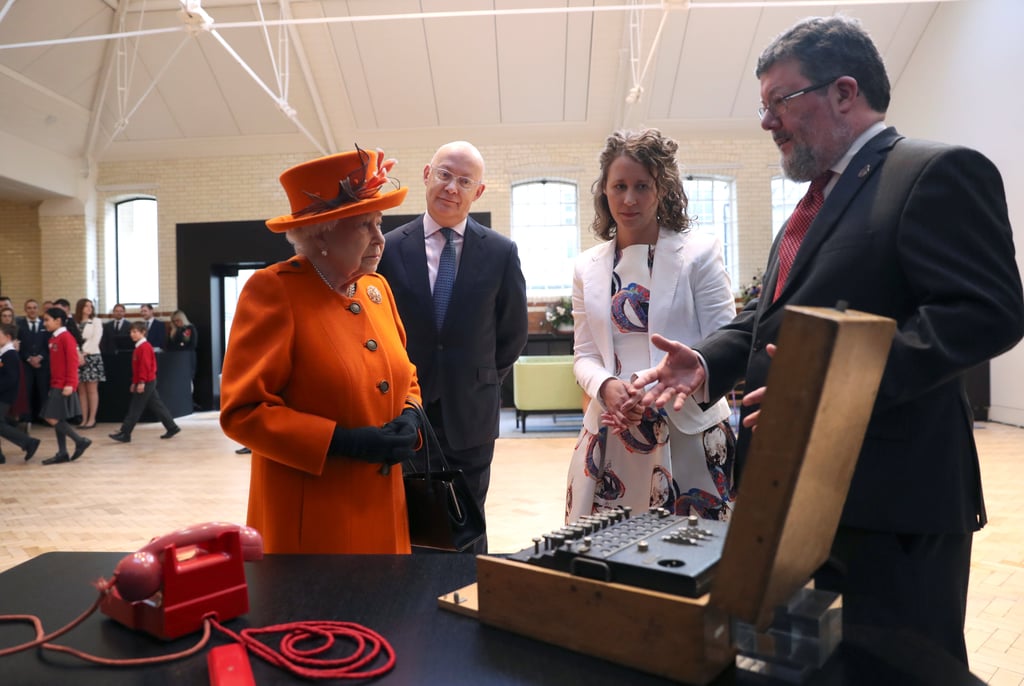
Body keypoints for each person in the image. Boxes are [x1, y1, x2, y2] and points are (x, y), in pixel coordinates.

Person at [631, 15, 1024, 663]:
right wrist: (707, 360)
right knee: (819, 666)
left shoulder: (934, 172)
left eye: (779, 102)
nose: (766, 123)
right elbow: (771, 314)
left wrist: (832, 386)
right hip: (799, 498)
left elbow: (988, 311)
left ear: (844, 92)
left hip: (891, 503)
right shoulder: (818, 200)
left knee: (901, 672)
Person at [220, 145, 423, 555]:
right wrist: (341, 442)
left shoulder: (375, 289)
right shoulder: (274, 290)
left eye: (380, 223)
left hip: (384, 509)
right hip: (313, 521)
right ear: (322, 231)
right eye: (365, 225)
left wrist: (410, 416)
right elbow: (243, 412)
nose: (381, 239)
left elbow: (407, 377)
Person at [565, 129, 738, 523]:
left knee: (689, 561)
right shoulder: (586, 267)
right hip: (611, 433)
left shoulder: (699, 253)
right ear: (603, 192)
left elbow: (727, 343)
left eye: (642, 185)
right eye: (619, 186)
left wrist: (651, 388)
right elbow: (585, 355)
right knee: (606, 561)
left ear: (662, 188)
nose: (629, 198)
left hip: (689, 433)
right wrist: (607, 387)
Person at [377, 140, 529, 553]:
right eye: (445, 175)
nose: (452, 187)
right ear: (427, 174)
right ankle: (413, 608)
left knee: (468, 520)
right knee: (410, 520)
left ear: (478, 192)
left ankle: (467, 601)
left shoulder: (501, 252)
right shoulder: (388, 248)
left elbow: (512, 333)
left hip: (472, 413)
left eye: (465, 181)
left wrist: (480, 378)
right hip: (408, 412)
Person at [108, 322, 181, 443]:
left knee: (135, 407)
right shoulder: (139, 347)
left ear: (143, 332)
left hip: (147, 381)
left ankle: (125, 433)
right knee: (157, 405)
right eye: (131, 332)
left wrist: (141, 382)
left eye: (135, 332)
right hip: (146, 381)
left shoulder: (145, 347)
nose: (132, 334)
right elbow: (137, 368)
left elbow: (145, 367)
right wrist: (134, 382)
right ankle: (172, 427)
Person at [39, 307, 91, 465]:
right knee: (58, 417)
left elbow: (72, 362)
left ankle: (80, 440)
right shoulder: (54, 338)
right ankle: (62, 452)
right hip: (56, 383)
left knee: (50, 416)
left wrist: (71, 384)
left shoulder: (66, 338)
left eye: (47, 320)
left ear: (58, 321)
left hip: (63, 384)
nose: (44, 323)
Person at [0, 323, 41, 463]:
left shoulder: (10, 354)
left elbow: (10, 378)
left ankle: (28, 442)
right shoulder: (4, 353)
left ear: (7, 337)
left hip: (5, 396)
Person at [17, 299, 49, 423]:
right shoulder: (19, 325)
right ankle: (27, 419)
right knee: (27, 392)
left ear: (38, 309)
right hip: (26, 364)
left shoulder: (45, 325)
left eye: (34, 307)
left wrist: (40, 357)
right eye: (29, 308)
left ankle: (45, 418)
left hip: (42, 363)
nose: (32, 310)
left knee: (43, 392)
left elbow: (48, 344)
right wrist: (29, 358)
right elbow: (20, 345)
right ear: (25, 310)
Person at [74, 298, 105, 429]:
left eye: (90, 306)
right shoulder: (74, 322)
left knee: (92, 390)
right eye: (86, 306)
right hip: (77, 357)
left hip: (92, 357)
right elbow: (72, 339)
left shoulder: (96, 321)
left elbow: (96, 339)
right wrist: (78, 353)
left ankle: (92, 419)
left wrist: (84, 353)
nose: (89, 308)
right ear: (80, 307)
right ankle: (84, 418)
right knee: (81, 390)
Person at [168, 309, 198, 383]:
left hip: (187, 357)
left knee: (188, 380)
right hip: (176, 358)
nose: (176, 323)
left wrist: (180, 345)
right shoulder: (174, 331)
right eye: (174, 321)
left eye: (177, 320)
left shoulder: (189, 328)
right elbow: (170, 344)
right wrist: (180, 344)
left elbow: (191, 344)